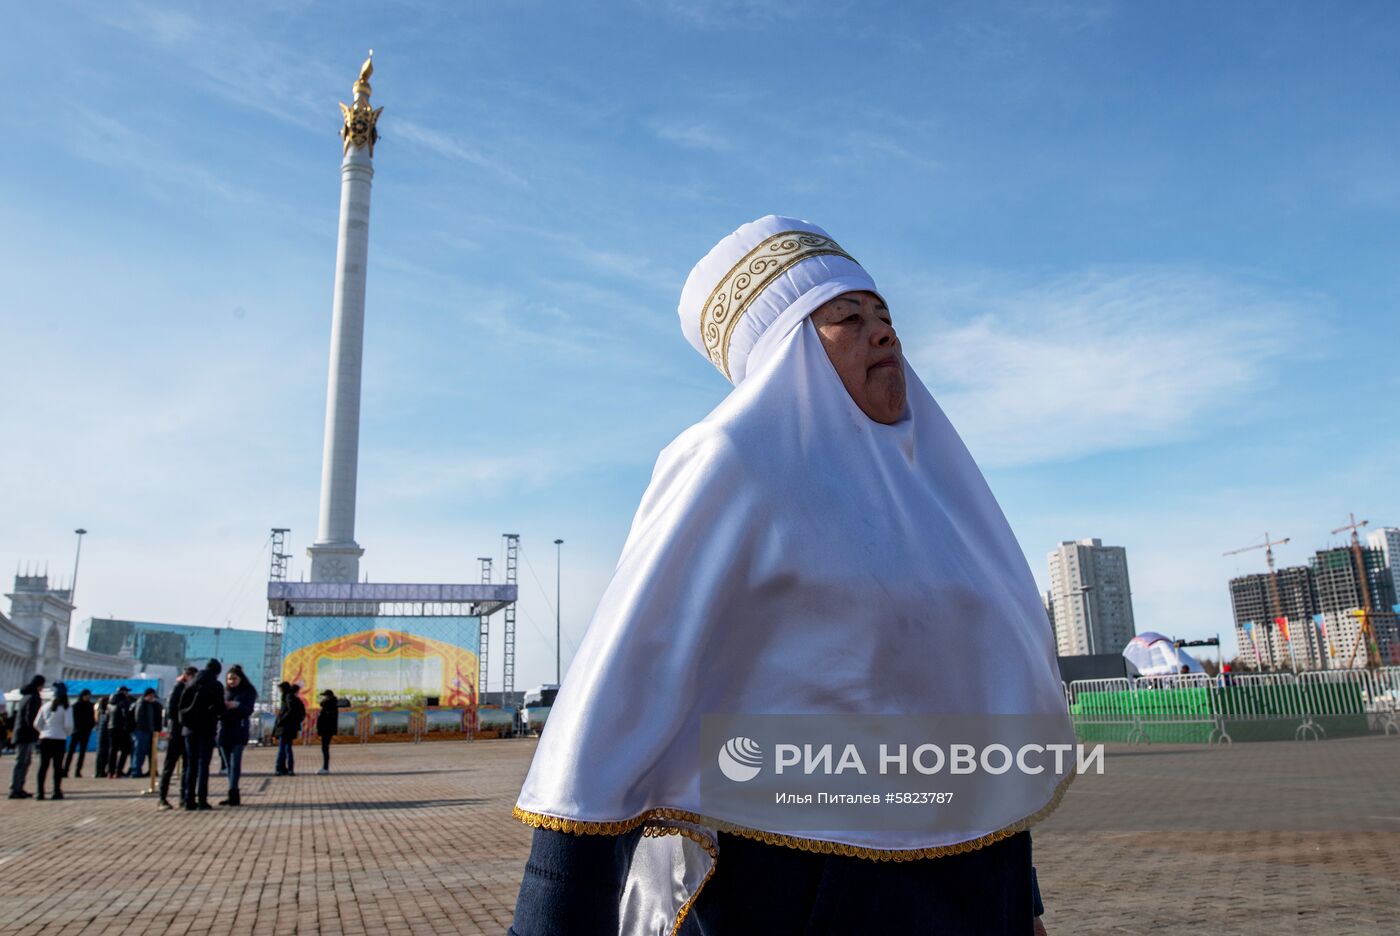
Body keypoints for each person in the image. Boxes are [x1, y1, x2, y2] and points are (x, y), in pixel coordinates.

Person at [508, 218, 1072, 935]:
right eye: (848, 317)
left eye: (887, 316)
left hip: (973, 887)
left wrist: (1021, 903)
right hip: (802, 889)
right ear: (792, 349)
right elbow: (613, 707)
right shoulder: (731, 464)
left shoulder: (944, 497)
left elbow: (975, 703)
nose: (885, 334)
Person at [179, 659, 224, 811]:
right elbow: (220, 708)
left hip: (189, 729)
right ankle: (202, 800)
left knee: (190, 764)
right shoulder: (216, 685)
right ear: (217, 672)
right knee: (203, 764)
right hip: (206, 729)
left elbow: (181, 706)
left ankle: (188, 799)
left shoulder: (190, 683)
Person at [217, 664, 257, 806]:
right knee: (228, 764)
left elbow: (248, 710)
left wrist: (237, 705)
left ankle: (234, 793)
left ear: (240, 679)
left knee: (235, 763)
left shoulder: (248, 692)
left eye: (234, 678)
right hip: (224, 730)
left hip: (238, 731)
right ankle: (231, 791)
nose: (231, 681)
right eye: (229, 679)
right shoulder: (225, 692)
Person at [158, 666, 198, 810]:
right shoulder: (177, 688)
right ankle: (162, 798)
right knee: (170, 765)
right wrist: (182, 721)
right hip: (176, 732)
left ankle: (184, 797)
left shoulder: (189, 689)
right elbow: (171, 711)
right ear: (187, 676)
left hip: (186, 732)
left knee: (187, 766)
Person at [33, 681, 73, 801]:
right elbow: (69, 725)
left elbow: (36, 723)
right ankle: (56, 791)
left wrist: (43, 731)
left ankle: (40, 792)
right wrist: (66, 733)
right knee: (57, 767)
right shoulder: (66, 707)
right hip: (59, 739)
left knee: (43, 766)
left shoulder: (45, 706)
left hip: (45, 739)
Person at [8, 675, 46, 798]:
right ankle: (15, 788)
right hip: (26, 734)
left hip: (21, 733)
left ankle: (18, 787)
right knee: (22, 761)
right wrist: (37, 732)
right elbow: (31, 718)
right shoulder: (34, 697)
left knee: (23, 761)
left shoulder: (26, 696)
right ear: (39, 685)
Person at [274, 682, 306, 776]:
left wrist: (281, 720)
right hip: (291, 727)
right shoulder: (295, 698)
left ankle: (280, 768)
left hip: (285, 727)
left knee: (283, 748)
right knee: (288, 748)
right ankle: (288, 769)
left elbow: (290, 710)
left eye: (280, 689)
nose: (280, 691)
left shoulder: (288, 697)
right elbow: (301, 713)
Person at [130, 688, 163, 778]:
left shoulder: (149, 704)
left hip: (146, 731)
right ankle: (136, 771)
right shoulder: (142, 703)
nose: (153, 698)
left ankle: (138, 770)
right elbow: (139, 717)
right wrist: (146, 728)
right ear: (148, 695)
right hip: (141, 731)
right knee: (139, 751)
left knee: (143, 751)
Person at [63, 689, 96, 778]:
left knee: (82, 752)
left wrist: (90, 726)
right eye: (87, 695)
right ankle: (65, 770)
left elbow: (93, 719)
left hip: (85, 732)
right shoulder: (76, 706)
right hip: (76, 731)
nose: (88, 697)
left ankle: (78, 770)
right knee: (71, 751)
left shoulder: (90, 706)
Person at [106, 686, 134, 778]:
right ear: (123, 692)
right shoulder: (124, 702)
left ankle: (110, 771)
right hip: (122, 729)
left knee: (112, 750)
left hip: (111, 727)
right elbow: (125, 715)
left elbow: (107, 716)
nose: (127, 693)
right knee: (125, 749)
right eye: (126, 692)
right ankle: (118, 771)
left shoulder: (110, 702)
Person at [316, 689, 339, 775]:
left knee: (325, 748)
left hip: (327, 729)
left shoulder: (329, 705)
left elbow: (325, 717)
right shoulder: (331, 704)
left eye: (325, 696)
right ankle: (325, 767)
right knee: (324, 748)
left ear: (329, 696)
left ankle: (325, 767)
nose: (324, 698)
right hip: (327, 729)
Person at [93, 695, 111, 778]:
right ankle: (100, 771)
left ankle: (99, 771)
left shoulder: (98, 712)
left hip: (100, 734)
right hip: (104, 735)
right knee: (103, 754)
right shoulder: (104, 714)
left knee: (100, 754)